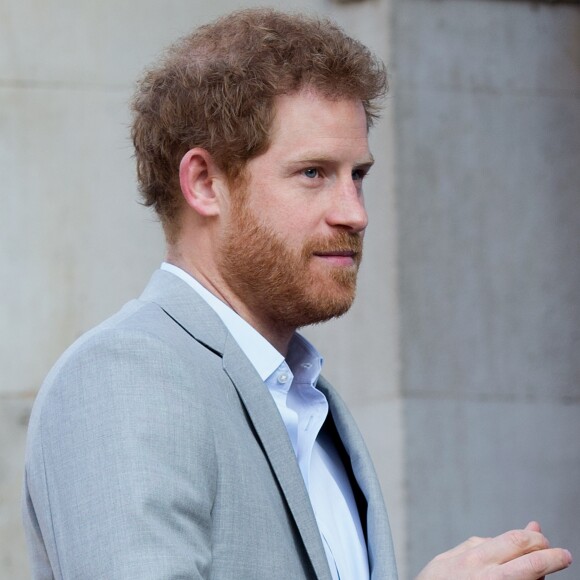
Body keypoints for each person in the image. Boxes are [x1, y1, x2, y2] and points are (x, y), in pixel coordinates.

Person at [22, 8, 572, 580]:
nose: (354, 214)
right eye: (313, 173)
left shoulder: (311, 404)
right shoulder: (124, 377)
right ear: (204, 184)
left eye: (357, 175)